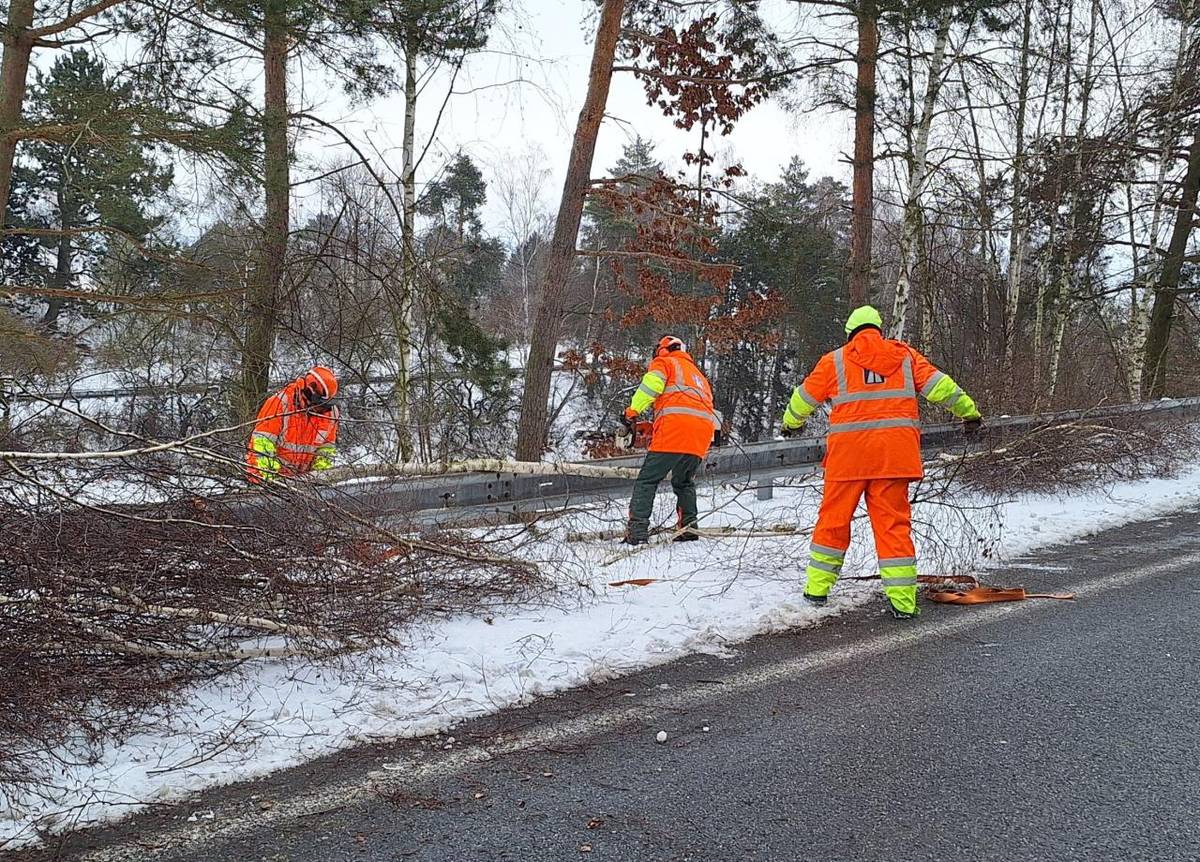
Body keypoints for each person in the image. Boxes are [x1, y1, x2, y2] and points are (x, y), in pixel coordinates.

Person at [780, 306, 982, 618]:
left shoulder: (834, 360)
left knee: (833, 523)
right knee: (893, 528)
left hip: (848, 461)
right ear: (878, 329)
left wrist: (791, 424)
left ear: (850, 334)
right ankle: (903, 602)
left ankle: (817, 590)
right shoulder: (905, 357)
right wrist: (969, 412)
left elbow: (803, 399)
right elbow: (942, 388)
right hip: (893, 459)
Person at [622, 335, 721, 545]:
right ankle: (689, 528)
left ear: (664, 349)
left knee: (647, 481)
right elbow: (690, 409)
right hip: (700, 438)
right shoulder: (699, 377)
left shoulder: (664, 363)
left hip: (674, 433)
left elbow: (650, 389)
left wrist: (631, 412)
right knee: (684, 482)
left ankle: (637, 532)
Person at [246, 365, 341, 483]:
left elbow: (326, 450)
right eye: (319, 404)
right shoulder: (280, 404)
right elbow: (261, 447)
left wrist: (319, 478)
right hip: (275, 481)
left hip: (305, 484)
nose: (321, 409)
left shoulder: (331, 414)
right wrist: (267, 482)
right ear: (308, 391)